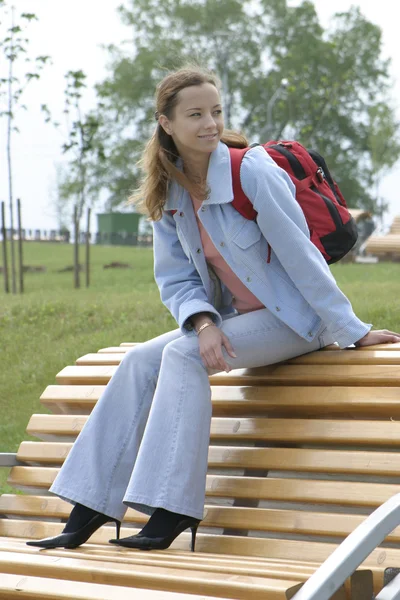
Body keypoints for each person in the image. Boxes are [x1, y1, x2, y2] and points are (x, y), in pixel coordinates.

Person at [27, 64, 400, 552]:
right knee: (141, 357)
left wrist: (351, 329)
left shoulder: (252, 171)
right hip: (238, 321)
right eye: (196, 114)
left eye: (216, 112)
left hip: (299, 320)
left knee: (181, 357)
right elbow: (176, 279)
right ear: (166, 122)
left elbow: (303, 258)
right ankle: (92, 502)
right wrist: (203, 322)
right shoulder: (170, 190)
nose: (210, 123)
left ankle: (174, 507)